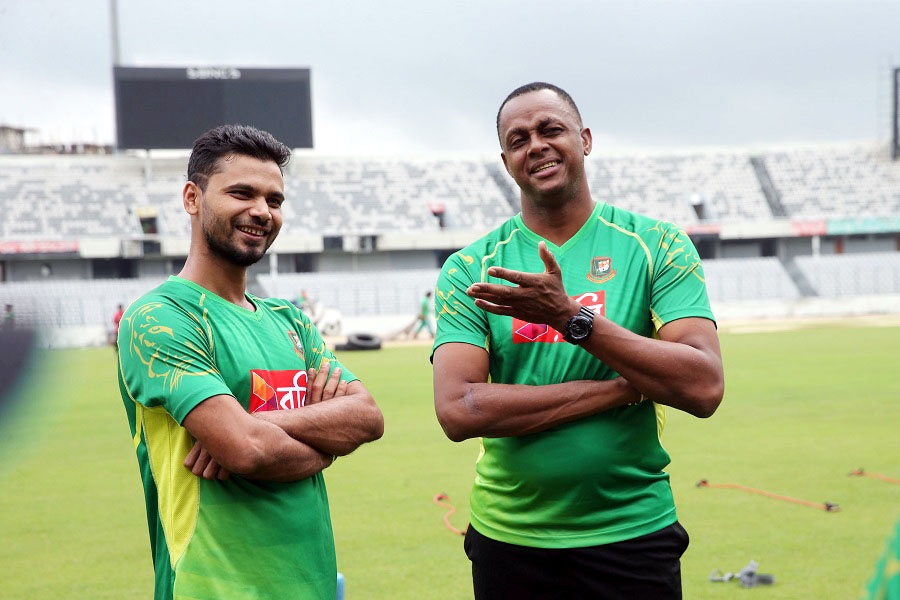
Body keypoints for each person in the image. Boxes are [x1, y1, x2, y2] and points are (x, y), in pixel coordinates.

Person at [432, 83, 724, 599]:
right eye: (518, 139)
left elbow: (702, 387)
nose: (536, 145)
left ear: (584, 139)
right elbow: (460, 409)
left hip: (632, 533)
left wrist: (571, 318)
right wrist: (624, 388)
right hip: (510, 539)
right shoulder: (470, 269)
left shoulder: (658, 245)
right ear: (507, 162)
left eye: (551, 129)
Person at [117, 124, 384, 600]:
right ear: (192, 198)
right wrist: (325, 442)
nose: (261, 211)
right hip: (211, 586)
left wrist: (262, 426)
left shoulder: (291, 322)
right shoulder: (159, 318)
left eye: (274, 200)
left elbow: (367, 417)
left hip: (313, 583)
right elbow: (248, 450)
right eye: (242, 193)